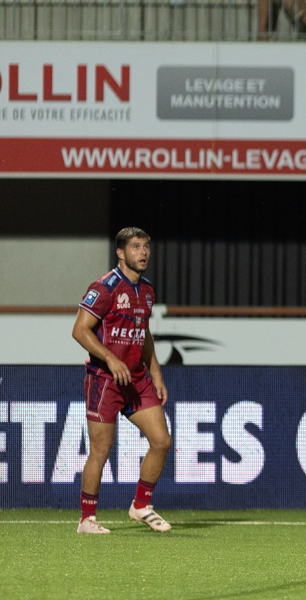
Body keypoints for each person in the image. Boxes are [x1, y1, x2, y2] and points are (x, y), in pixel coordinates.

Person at [71, 227, 172, 535]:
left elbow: (145, 335)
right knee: (101, 450)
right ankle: (86, 519)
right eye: (136, 247)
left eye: (146, 247)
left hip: (137, 379)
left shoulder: (147, 291)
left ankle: (141, 505)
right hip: (105, 380)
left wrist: (155, 372)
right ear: (120, 252)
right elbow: (80, 330)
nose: (143, 252)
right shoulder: (105, 288)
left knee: (162, 441)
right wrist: (111, 359)